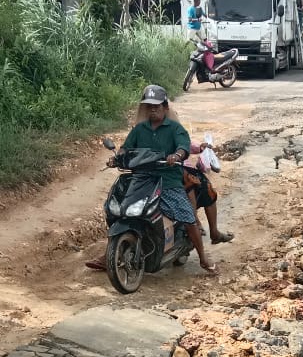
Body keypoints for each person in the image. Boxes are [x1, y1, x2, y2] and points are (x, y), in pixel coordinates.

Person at [87, 85, 218, 275]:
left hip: (168, 181)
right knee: (117, 210)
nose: (153, 109)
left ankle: (203, 258)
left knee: (188, 218)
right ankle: (112, 252)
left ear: (165, 107)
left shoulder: (175, 128)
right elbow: (126, 148)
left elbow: (183, 147)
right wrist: (117, 157)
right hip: (140, 179)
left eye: (157, 106)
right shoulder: (139, 129)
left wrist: (177, 155)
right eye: (149, 106)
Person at [182, 140, 233, 245]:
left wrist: (200, 147)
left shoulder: (144, 130)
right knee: (202, 188)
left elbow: (183, 145)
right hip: (169, 171)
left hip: (176, 169)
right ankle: (206, 228)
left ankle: (206, 228)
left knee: (204, 187)